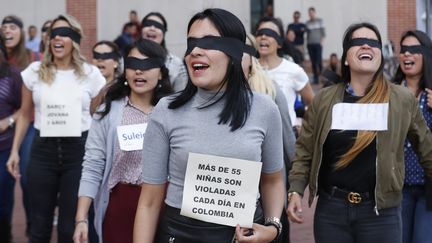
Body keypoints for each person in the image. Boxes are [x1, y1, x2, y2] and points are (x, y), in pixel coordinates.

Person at [134, 8, 285, 243]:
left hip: (242, 234)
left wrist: (273, 226)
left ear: (234, 51)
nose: (195, 51)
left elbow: (273, 180)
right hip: (180, 233)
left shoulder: (265, 109)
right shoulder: (166, 110)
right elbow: (149, 200)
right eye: (191, 42)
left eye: (208, 42)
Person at [287, 22, 432, 243]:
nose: (366, 45)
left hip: (381, 214)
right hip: (332, 212)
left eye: (373, 43)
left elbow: (427, 148)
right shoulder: (324, 100)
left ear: (380, 56)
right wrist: (296, 190)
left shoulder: (401, 99)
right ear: (346, 57)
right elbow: (305, 150)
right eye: (358, 42)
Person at [6, 14, 105, 243]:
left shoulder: (91, 75)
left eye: (65, 34)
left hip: (78, 151)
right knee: (39, 226)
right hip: (43, 151)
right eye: (54, 34)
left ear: (75, 40)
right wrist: (14, 151)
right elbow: (24, 114)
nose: (58, 38)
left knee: (69, 227)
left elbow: (98, 115)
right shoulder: (34, 71)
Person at [73, 38, 172, 243]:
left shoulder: (174, 113)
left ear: (161, 72)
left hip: (165, 206)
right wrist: (81, 218)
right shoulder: (108, 112)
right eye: (133, 65)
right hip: (120, 205)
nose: (139, 71)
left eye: (147, 65)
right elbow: (93, 164)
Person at [243, 33, 296, 243]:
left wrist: (293, 186)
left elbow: (288, 139)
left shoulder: (270, 88)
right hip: (240, 189)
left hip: (263, 185)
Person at [2, 14, 39, 237]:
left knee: (27, 176)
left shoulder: (33, 57)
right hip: (4, 130)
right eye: (4, 27)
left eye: (12, 26)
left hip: (29, 124)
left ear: (21, 32)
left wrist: (12, 120)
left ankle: (34, 227)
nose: (7, 30)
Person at [393, 30, 432, 243]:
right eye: (403, 50)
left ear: (425, 54)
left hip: (428, 189)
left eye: (414, 50)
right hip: (399, 187)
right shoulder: (389, 92)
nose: (407, 54)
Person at [255, 16, 314, 129]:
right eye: (260, 33)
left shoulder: (293, 70)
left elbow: (313, 103)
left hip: (286, 139)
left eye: (270, 33)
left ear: (279, 42)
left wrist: (303, 127)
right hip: (256, 139)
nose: (263, 36)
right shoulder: (248, 69)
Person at [0, 32, 23, 243]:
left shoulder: (12, 74)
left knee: (3, 203)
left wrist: (8, 121)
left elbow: (24, 109)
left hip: (4, 147)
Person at [141, 12, 188, 92]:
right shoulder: (126, 58)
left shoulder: (176, 64)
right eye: (148, 24)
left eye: (158, 26)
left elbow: (181, 95)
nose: (152, 28)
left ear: (164, 33)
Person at [306, 7, 325, 84]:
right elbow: (307, 34)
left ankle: (321, 76)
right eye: (309, 13)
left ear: (314, 13)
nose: (311, 14)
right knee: (313, 62)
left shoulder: (320, 21)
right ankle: (315, 78)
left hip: (318, 44)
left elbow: (323, 33)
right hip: (310, 44)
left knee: (319, 61)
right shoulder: (307, 23)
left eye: (312, 12)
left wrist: (321, 42)